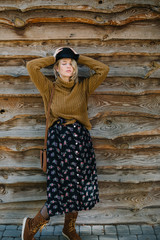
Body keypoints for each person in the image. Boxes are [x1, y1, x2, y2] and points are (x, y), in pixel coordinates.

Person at [22, 47, 109, 240]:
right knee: (59, 189)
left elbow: (103, 69)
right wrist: (54, 56)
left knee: (79, 187)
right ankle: (32, 225)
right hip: (59, 143)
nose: (68, 66)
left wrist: (78, 56)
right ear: (56, 68)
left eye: (71, 63)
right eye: (64, 63)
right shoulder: (49, 87)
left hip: (80, 141)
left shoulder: (83, 86)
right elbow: (31, 66)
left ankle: (69, 228)